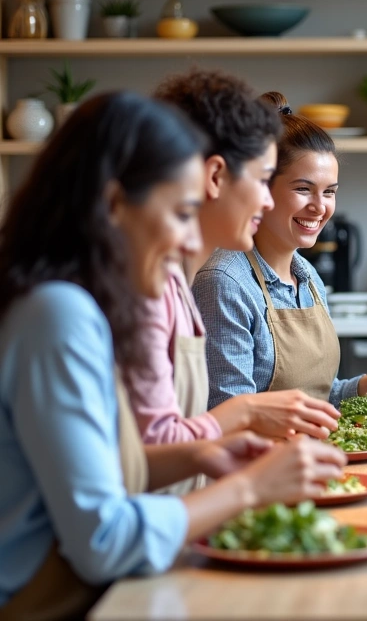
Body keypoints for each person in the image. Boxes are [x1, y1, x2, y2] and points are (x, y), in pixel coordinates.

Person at [0, 92, 347, 618]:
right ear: (117, 204)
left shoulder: (84, 304)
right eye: (183, 213)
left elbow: (111, 469)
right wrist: (249, 488)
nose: (190, 238)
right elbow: (103, 541)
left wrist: (200, 455)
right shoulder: (58, 315)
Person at [123, 70, 339, 477]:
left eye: (329, 191)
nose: (265, 199)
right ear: (214, 176)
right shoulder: (168, 288)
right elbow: (136, 461)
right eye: (262, 179)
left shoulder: (172, 283)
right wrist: (246, 412)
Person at [194, 92, 367, 408]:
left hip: (312, 451)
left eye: (329, 192)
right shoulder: (225, 282)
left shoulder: (307, 278)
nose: (319, 207)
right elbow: (227, 415)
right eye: (303, 189)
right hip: (264, 457)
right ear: (262, 189)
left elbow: (318, 395)